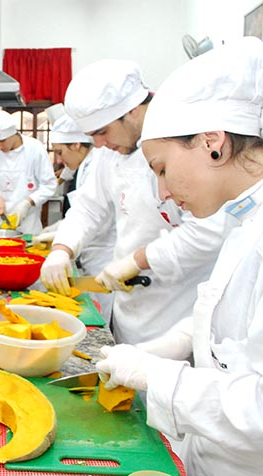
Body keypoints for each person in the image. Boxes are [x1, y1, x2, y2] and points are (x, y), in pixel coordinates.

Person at [96, 37, 263, 476]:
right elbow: (235, 323)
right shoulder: (249, 214)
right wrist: (180, 342)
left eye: (162, 168)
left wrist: (159, 378)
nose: (163, 192)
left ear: (212, 143)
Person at [40, 59, 229, 345]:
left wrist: (139, 260)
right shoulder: (110, 152)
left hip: (177, 315)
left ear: (131, 111)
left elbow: (209, 230)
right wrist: (62, 249)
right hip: (127, 303)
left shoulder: (184, 141)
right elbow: (90, 207)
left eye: (102, 132)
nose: (99, 144)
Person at [35, 112, 117, 322]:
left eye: (61, 152)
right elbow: (87, 209)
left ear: (77, 145)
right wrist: (60, 235)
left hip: (106, 260)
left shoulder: (99, 160)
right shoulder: (88, 165)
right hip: (91, 256)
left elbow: (97, 216)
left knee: (102, 318)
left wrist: (61, 243)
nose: (60, 159)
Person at [0, 110, 57, 234]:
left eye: (3, 141)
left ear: (13, 133)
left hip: (28, 225)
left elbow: (49, 185)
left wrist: (27, 203)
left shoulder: (35, 149)